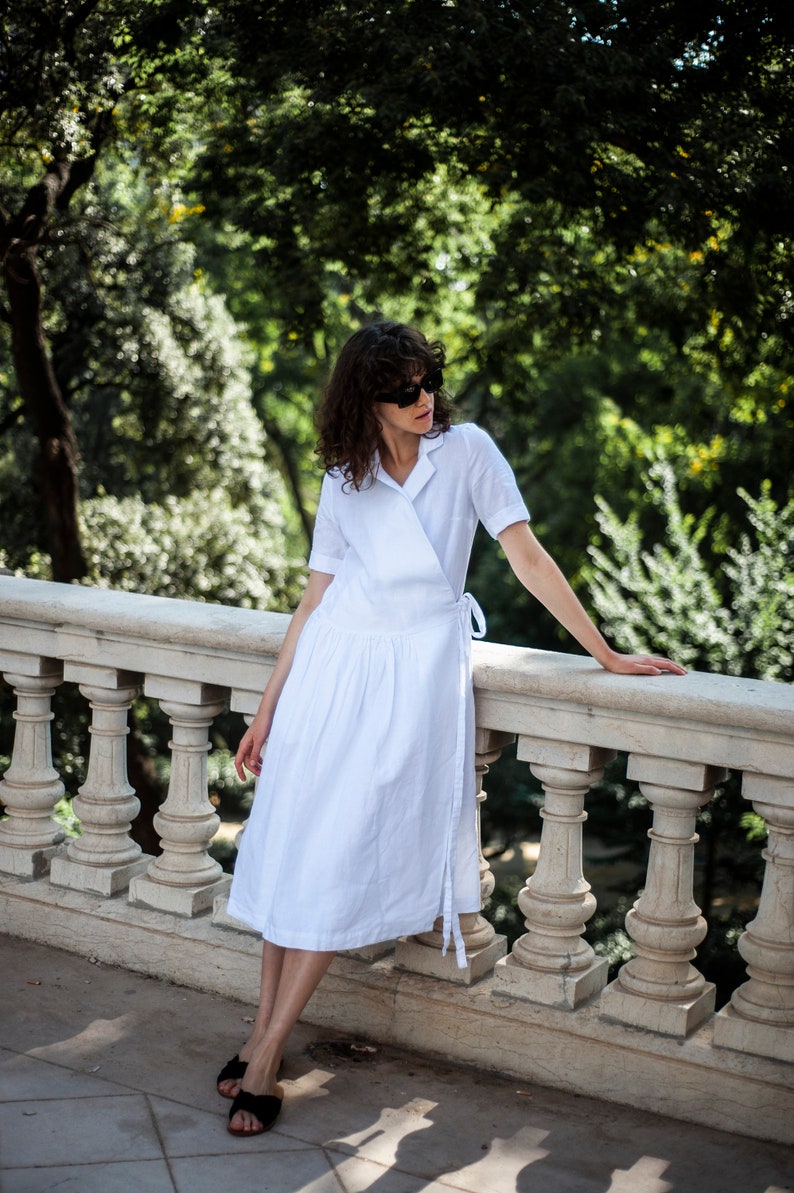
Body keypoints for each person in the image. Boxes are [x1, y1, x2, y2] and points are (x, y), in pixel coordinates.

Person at [219, 321, 685, 1137]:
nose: (424, 398)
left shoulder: (466, 451)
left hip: (413, 679)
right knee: (296, 847)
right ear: (366, 400)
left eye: (428, 379)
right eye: (403, 389)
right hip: (335, 670)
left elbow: (525, 554)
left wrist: (606, 653)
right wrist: (268, 710)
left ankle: (267, 1054)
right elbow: (314, 597)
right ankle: (260, 1036)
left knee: (337, 855)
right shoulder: (344, 477)